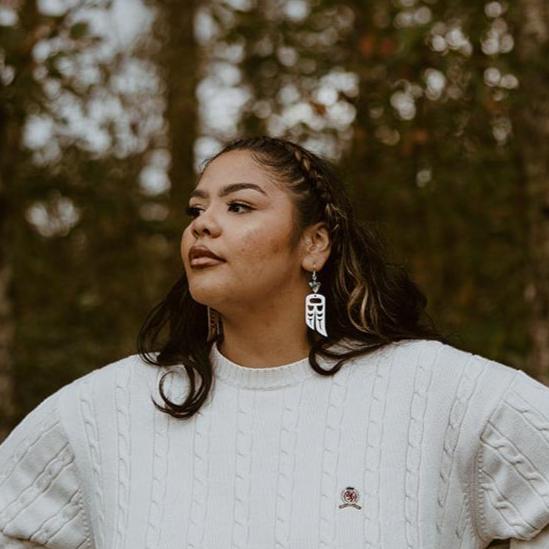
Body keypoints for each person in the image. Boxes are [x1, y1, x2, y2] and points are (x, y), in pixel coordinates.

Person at [0, 136, 548, 549]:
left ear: (313, 244)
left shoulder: (439, 391)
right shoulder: (104, 409)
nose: (202, 226)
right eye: (196, 210)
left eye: (238, 206)